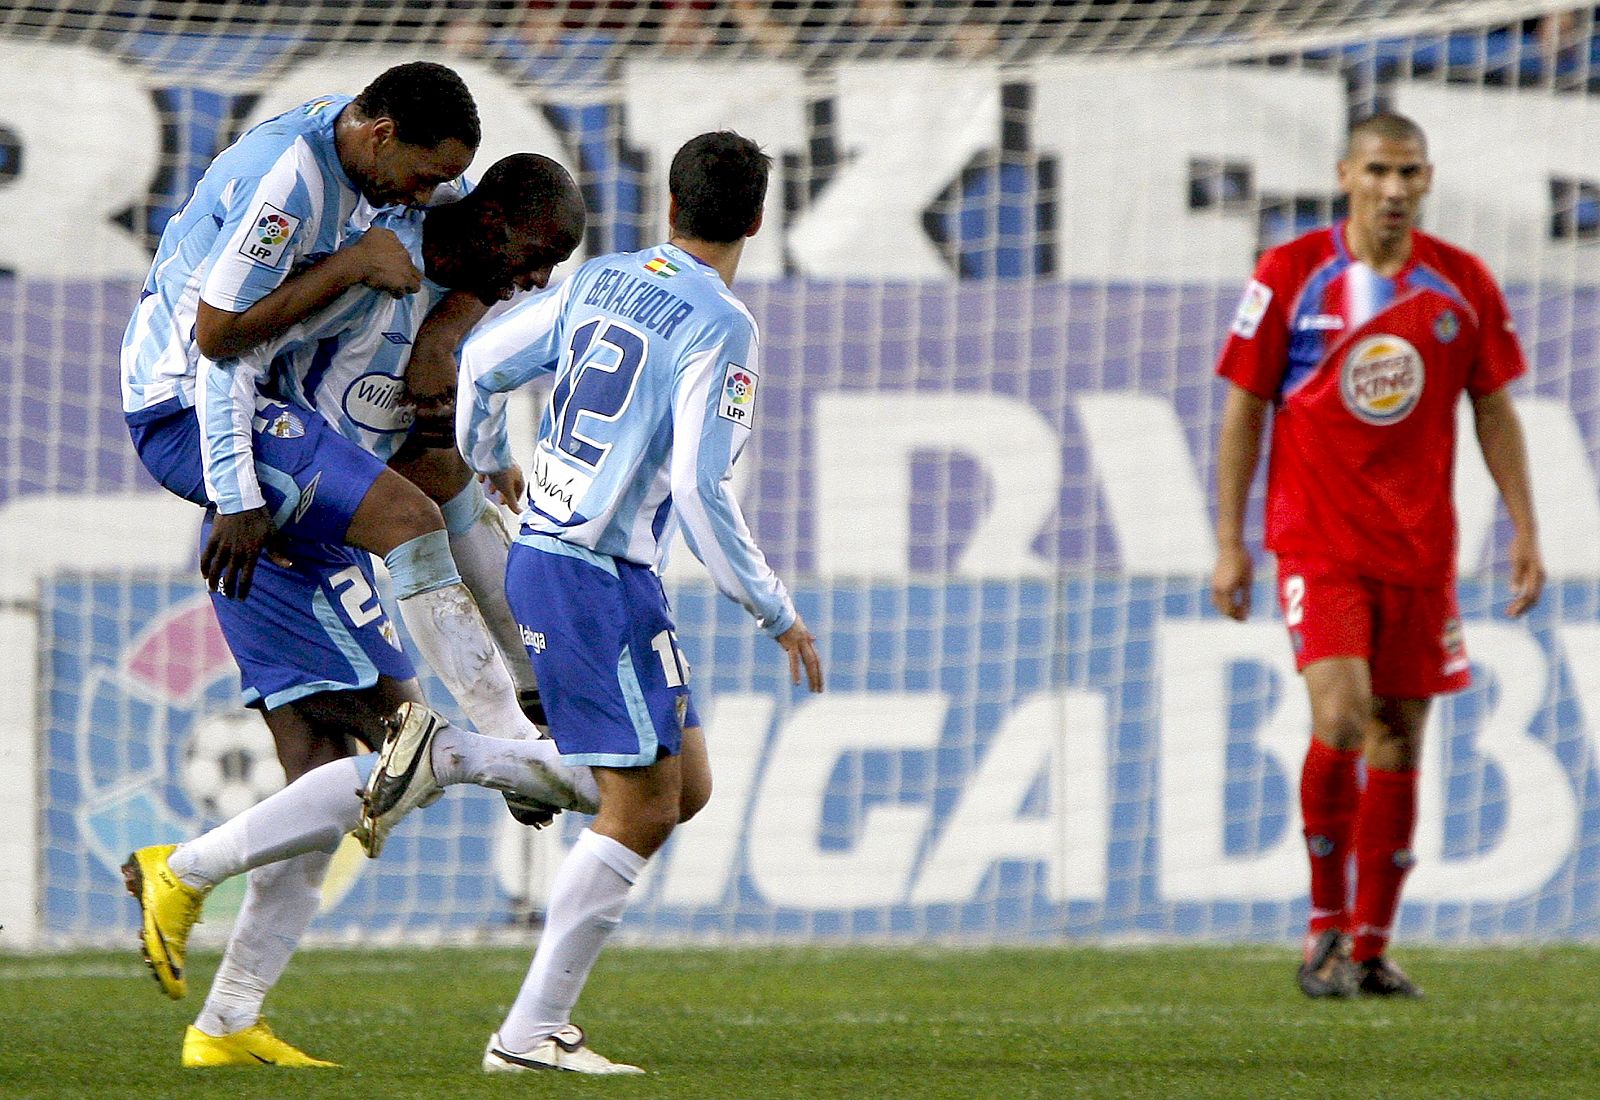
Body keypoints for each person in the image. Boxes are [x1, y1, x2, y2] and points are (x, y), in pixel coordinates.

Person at [360, 130, 825, 1074]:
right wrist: (773, 608)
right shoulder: (723, 325)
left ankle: (456, 756)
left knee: (683, 791)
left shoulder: (605, 276)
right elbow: (700, 489)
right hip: (594, 572)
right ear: (760, 222)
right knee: (642, 807)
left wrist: (489, 458)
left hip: (579, 564)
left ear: (669, 206)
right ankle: (529, 1034)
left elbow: (486, 360)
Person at [122, 154, 599, 1068]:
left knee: (329, 781)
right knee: (406, 743)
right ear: (486, 217)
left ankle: (225, 1023)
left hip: (301, 516)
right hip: (260, 500)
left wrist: (529, 701)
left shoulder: (453, 333)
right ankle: (177, 872)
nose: (537, 281)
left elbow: (477, 543)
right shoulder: (376, 253)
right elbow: (234, 356)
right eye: (534, 255)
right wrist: (518, 735)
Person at [1209, 112, 1545, 999]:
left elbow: (1494, 407)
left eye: (1408, 173)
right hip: (1316, 541)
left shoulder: (1462, 282)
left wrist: (1525, 526)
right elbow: (1245, 408)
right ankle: (1323, 929)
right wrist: (1228, 543)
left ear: (1427, 180)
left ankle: (1371, 944)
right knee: (1344, 713)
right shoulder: (1289, 274)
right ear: (1345, 176)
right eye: (1378, 172)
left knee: (1401, 735)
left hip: (1421, 549)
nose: (1393, 189)